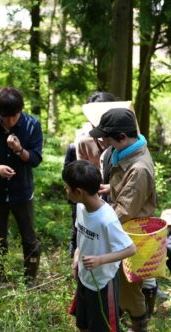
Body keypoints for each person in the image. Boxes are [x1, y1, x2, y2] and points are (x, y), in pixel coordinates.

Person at [63, 160, 136, 332]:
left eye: (67, 188)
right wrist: (77, 254)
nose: (66, 191)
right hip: (85, 276)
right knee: (81, 323)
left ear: (79, 191)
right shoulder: (80, 208)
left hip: (103, 280)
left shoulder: (107, 219)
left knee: (97, 330)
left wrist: (101, 260)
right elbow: (80, 235)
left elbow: (130, 249)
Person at [93, 108, 158, 332]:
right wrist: (112, 188)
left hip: (130, 229)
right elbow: (128, 188)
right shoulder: (130, 151)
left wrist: (97, 216)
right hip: (123, 226)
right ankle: (120, 313)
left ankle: (140, 326)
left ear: (122, 137)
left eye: (107, 139)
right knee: (118, 276)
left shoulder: (138, 168)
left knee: (129, 282)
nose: (104, 143)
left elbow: (125, 210)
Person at [0, 87, 43, 284]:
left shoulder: (31, 124)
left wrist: (19, 149)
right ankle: (0, 277)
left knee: (29, 238)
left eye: (14, 116)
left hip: (22, 191)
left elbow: (35, 159)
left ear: (21, 110)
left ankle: (29, 280)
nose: (11, 121)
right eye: (6, 117)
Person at [63, 92, 128, 256]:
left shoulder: (122, 136)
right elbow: (81, 170)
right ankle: (78, 247)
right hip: (92, 189)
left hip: (114, 190)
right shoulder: (83, 140)